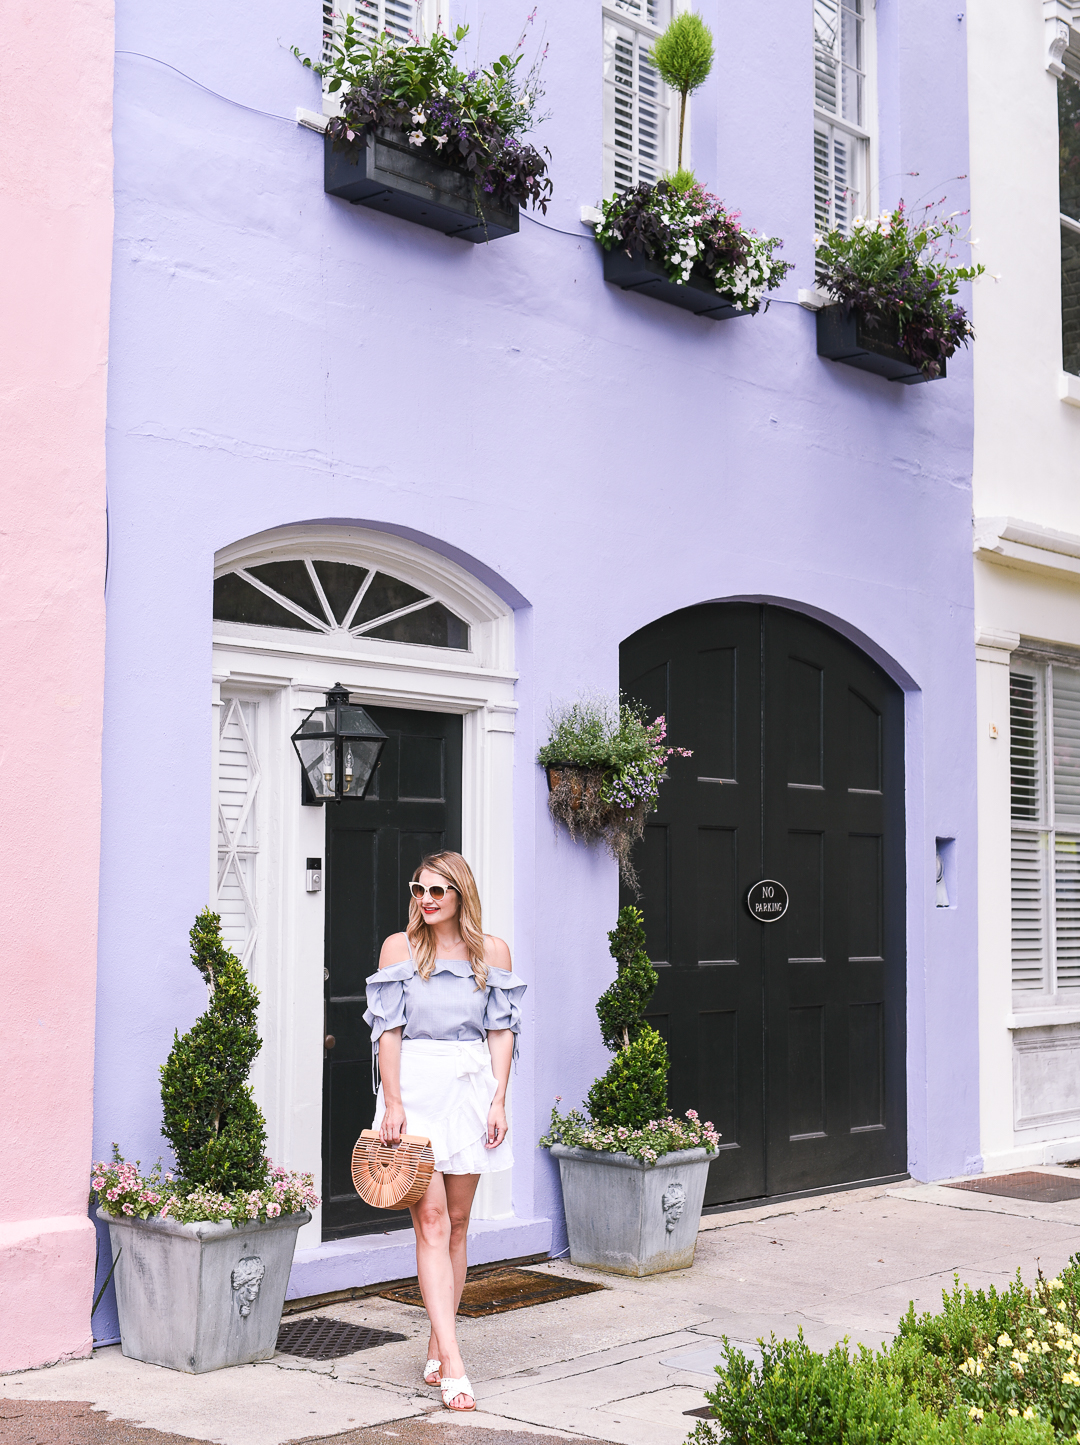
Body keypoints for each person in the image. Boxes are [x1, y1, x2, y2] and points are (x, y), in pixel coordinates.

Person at [363, 850, 525, 1413]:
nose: (425, 900)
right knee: (428, 1219)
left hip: (471, 1088)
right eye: (418, 889)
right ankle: (453, 1360)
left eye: (437, 891)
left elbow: (501, 1031)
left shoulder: (492, 952)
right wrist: (393, 1101)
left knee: (457, 1223)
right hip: (415, 1090)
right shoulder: (399, 949)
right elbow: (388, 1031)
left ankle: (439, 1335)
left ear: (461, 895)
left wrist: (499, 1097)